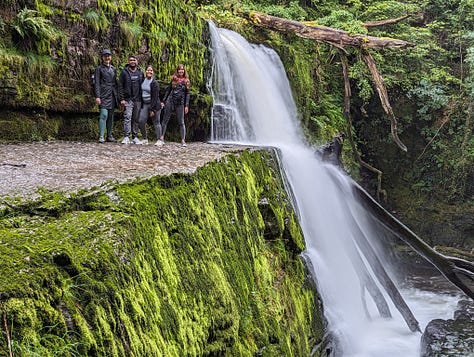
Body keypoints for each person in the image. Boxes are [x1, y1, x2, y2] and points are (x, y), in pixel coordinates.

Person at [161, 64, 190, 147]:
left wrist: (186, 105)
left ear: (184, 71)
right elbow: (168, 90)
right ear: (177, 71)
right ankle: (161, 137)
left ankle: (183, 140)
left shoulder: (186, 81)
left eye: (182, 69)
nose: (181, 71)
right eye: (179, 69)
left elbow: (187, 94)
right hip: (170, 100)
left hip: (180, 103)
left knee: (181, 121)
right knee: (165, 119)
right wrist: (163, 101)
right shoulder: (174, 79)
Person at [94, 49, 118, 143]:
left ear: (111, 57)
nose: (107, 57)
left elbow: (115, 83)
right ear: (102, 58)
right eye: (105, 56)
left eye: (108, 56)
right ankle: (101, 136)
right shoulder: (99, 69)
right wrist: (97, 96)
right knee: (104, 114)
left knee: (111, 116)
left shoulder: (113, 69)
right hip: (103, 94)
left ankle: (109, 135)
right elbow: (96, 83)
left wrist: (118, 97)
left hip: (112, 94)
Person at [119, 54, 144, 144]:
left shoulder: (140, 72)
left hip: (138, 99)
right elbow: (120, 86)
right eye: (131, 60)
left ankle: (135, 137)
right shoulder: (124, 72)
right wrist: (122, 99)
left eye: (134, 60)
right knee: (127, 117)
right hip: (128, 99)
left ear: (137, 61)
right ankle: (126, 136)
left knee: (136, 118)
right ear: (128, 61)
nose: (132, 62)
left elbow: (143, 86)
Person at [137, 65, 163, 145]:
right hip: (145, 104)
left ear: (153, 72)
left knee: (156, 122)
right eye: (148, 70)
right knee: (141, 120)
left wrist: (152, 110)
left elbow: (155, 97)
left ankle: (160, 140)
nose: (149, 72)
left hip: (155, 105)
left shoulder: (154, 83)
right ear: (145, 71)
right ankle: (145, 139)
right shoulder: (142, 80)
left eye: (151, 70)